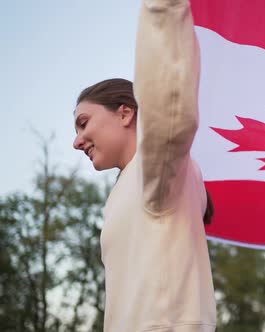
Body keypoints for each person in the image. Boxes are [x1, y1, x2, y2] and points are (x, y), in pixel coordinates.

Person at [72, 0, 216, 331]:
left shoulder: (156, 169)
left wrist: (163, 7)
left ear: (125, 113)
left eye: (84, 123)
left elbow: (169, 98)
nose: (77, 141)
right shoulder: (129, 187)